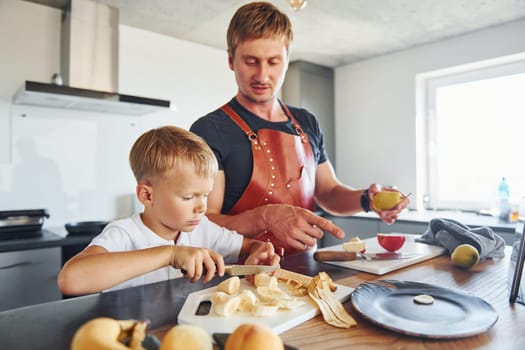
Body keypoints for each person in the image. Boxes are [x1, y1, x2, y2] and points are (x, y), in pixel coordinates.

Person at [190, 1, 409, 256]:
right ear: (231, 60)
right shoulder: (209, 130)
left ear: (286, 60)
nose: (262, 75)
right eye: (251, 61)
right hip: (235, 279)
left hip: (305, 272)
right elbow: (203, 223)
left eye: (273, 62)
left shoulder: (306, 122)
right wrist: (264, 216)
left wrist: (367, 200)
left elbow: (328, 192)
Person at [57, 126, 279, 295]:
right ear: (147, 195)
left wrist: (259, 251)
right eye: (188, 197)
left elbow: (249, 246)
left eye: (205, 194)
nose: (202, 206)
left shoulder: (203, 229)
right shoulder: (124, 234)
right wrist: (170, 254)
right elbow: (70, 280)